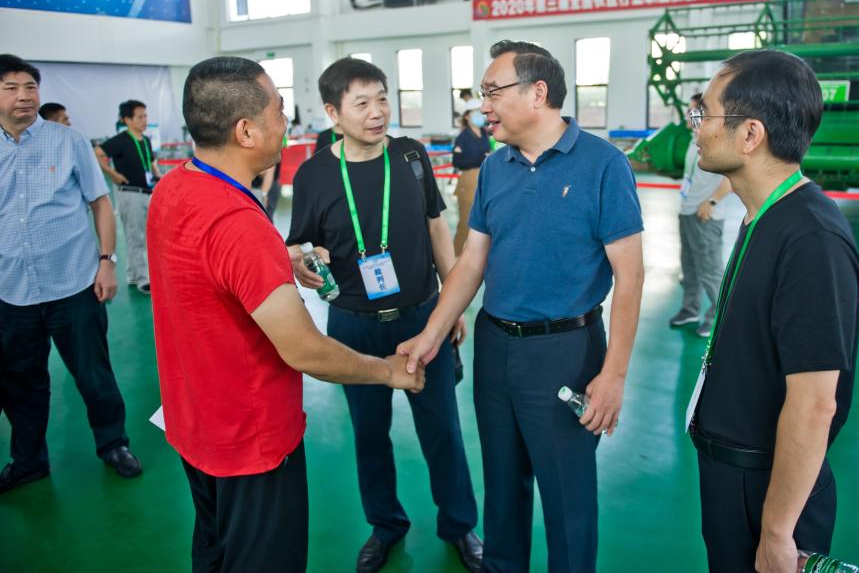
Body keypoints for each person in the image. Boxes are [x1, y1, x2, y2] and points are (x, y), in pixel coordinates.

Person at [148, 56, 424, 573]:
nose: (286, 121)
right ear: (246, 131)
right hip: (250, 440)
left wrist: (276, 257)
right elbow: (304, 350)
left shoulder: (175, 187)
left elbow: (209, 274)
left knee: (214, 551)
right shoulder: (237, 223)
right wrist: (387, 371)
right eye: (278, 109)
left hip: (196, 424)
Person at [399, 40, 645, 573]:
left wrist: (614, 375)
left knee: (567, 497)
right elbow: (472, 262)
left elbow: (630, 277)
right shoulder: (495, 166)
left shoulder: (603, 164)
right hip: (495, 347)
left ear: (538, 93)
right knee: (503, 486)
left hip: (565, 352)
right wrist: (433, 332)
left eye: (493, 92)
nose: (483, 105)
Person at [286, 57, 482, 573]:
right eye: (361, 103)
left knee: (443, 430)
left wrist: (451, 303)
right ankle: (386, 526)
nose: (377, 113)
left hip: (421, 318)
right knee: (369, 435)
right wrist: (305, 260)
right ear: (333, 112)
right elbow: (299, 245)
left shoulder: (411, 155)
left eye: (382, 99)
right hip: (353, 326)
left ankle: (459, 526)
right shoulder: (314, 174)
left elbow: (437, 228)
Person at [683, 50, 859, 573]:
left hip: (766, 490)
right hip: (734, 475)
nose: (696, 127)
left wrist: (778, 531)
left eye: (705, 114)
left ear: (750, 134)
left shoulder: (811, 238)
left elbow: (814, 404)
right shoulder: (764, 215)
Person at [0, 54, 140, 495]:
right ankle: (29, 462)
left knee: (94, 375)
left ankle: (113, 444)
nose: (24, 96)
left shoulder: (68, 141)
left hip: (74, 283)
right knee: (20, 384)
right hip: (11, 291)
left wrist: (107, 261)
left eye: (30, 87)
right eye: (11, 88)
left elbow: (100, 203)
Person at [669, 93, 732, 338]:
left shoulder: (717, 141)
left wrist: (712, 201)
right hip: (687, 211)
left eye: (692, 111)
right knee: (690, 268)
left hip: (706, 216)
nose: (687, 115)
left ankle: (717, 319)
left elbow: (730, 178)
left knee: (710, 270)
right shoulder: (693, 139)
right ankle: (690, 310)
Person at [95, 100, 161, 294]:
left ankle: (133, 274)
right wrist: (112, 174)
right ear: (127, 120)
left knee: (146, 236)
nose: (144, 120)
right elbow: (97, 153)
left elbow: (151, 163)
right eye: (139, 117)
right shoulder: (120, 140)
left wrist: (158, 177)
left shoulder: (145, 140)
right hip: (130, 194)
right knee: (135, 237)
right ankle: (143, 279)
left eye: (145, 116)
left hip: (147, 192)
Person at [451, 99, 491, 255]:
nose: (479, 115)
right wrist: (482, 158)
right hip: (468, 180)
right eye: (475, 112)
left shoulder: (484, 133)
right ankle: (455, 256)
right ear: (467, 116)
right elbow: (458, 161)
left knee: (482, 221)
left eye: (480, 112)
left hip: (484, 178)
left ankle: (477, 256)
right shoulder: (463, 137)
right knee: (466, 221)